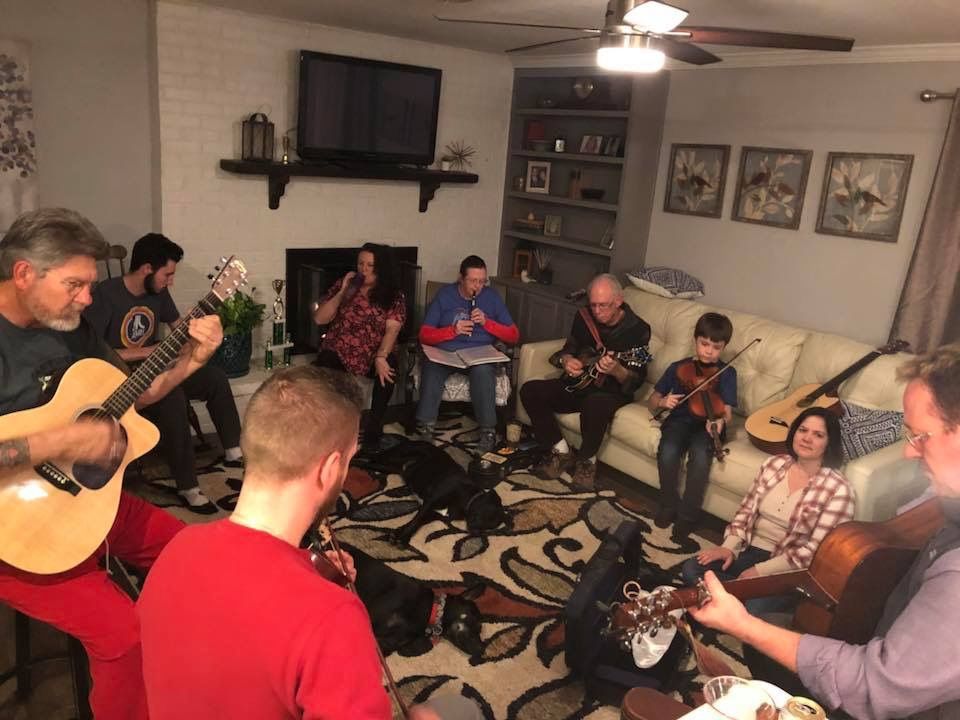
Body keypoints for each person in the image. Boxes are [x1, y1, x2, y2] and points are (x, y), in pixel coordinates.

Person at [138, 365, 482, 720]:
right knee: (459, 710)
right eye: (349, 460)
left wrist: (309, 576)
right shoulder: (333, 620)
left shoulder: (177, 546)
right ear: (330, 469)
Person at [0, 207, 224, 720]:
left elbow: (130, 396)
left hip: (85, 501)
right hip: (15, 536)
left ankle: (191, 676)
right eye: (75, 284)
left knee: (197, 554)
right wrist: (61, 440)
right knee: (124, 635)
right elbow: (62, 438)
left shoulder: (69, 328)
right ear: (24, 273)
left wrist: (191, 361)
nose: (88, 298)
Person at [689, 343, 960, 719]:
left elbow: (875, 687)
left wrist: (741, 624)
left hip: (889, 697)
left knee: (760, 621)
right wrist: (731, 547)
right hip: (879, 634)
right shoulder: (944, 505)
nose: (909, 453)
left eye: (921, 437)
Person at [84, 232, 244, 513]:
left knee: (215, 378)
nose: (170, 281)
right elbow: (93, 352)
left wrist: (193, 337)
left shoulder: (158, 293)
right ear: (147, 269)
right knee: (172, 397)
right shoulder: (105, 295)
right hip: (118, 377)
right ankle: (188, 487)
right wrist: (148, 351)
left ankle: (233, 452)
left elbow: (178, 327)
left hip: (156, 366)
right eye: (167, 274)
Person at [681, 407, 855, 616]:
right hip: (748, 551)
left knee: (756, 608)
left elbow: (815, 552)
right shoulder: (774, 464)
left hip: (787, 567)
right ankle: (737, 600)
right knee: (692, 568)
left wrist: (760, 571)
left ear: (829, 443)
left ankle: (728, 600)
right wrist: (728, 548)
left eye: (818, 435)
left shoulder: (839, 489)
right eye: (802, 430)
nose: (807, 438)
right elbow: (745, 513)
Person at [520, 274, 651, 491]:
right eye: (593, 305)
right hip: (579, 384)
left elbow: (635, 380)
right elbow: (568, 349)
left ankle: (586, 462)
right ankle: (561, 451)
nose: (597, 311)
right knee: (530, 390)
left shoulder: (638, 329)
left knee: (594, 403)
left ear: (618, 301)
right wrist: (567, 361)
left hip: (611, 392)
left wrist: (617, 370)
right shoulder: (584, 316)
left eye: (603, 305)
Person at [647, 312, 738, 539]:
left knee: (700, 460)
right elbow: (652, 401)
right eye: (704, 344)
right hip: (679, 421)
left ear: (724, 347)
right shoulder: (678, 367)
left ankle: (688, 516)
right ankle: (668, 504)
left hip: (707, 426)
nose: (708, 351)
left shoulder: (727, 373)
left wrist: (719, 420)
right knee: (668, 452)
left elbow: (728, 413)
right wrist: (662, 402)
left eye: (716, 347)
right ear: (695, 340)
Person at [416, 255, 519, 453]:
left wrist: (487, 323)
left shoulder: (492, 297)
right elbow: (424, 334)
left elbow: (514, 335)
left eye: (482, 281)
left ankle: (488, 431)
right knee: (432, 367)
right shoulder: (445, 295)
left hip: (479, 354)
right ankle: (426, 427)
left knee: (483, 372)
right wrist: (452, 330)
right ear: (461, 278)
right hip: (447, 352)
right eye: (473, 281)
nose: (478, 286)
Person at [311, 242, 406, 447]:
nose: (363, 269)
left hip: (373, 351)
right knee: (325, 363)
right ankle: (329, 429)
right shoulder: (347, 286)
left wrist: (381, 356)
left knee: (389, 366)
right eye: (360, 263)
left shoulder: (393, 294)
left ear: (381, 268)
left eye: (370, 265)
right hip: (340, 347)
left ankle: (373, 429)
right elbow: (319, 319)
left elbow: (392, 329)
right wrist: (342, 291)